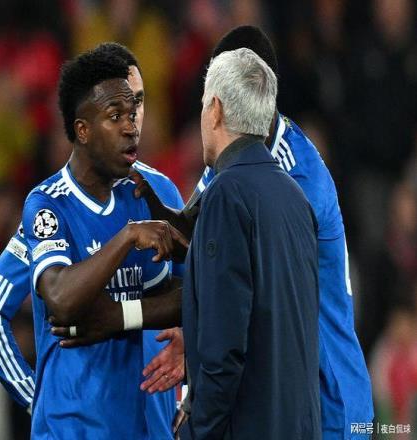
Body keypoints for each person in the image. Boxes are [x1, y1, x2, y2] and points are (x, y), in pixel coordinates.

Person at [129, 26, 373, 440]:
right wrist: (155, 209)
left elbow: (247, 281)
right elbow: (202, 233)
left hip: (331, 394)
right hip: (289, 388)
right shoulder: (240, 156)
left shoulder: (298, 178)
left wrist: (198, 356)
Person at [0, 46, 185, 439]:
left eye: (137, 105)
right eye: (118, 113)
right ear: (83, 128)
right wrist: (37, 397)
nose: (133, 124)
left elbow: (198, 293)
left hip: (150, 423)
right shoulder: (48, 206)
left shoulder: (159, 192)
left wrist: (187, 351)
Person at [178, 47, 320, 439]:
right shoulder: (295, 197)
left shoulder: (226, 195)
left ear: (215, 110)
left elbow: (224, 348)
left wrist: (197, 430)